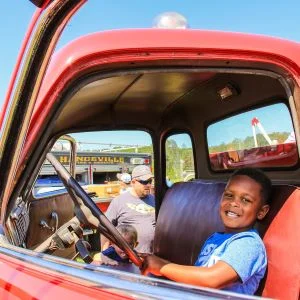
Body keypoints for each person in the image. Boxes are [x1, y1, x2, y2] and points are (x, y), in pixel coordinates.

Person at [142, 168, 271, 295]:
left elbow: (213, 279)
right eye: (229, 195)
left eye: (245, 200)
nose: (234, 203)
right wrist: (157, 262)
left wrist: (163, 268)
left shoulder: (248, 244)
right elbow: (199, 273)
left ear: (261, 212)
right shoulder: (216, 238)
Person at [102, 165, 155, 254]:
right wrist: (104, 253)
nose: (148, 185)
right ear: (133, 182)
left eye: (150, 181)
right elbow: (105, 227)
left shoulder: (154, 200)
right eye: (144, 182)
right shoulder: (119, 201)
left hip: (152, 257)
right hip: (129, 258)